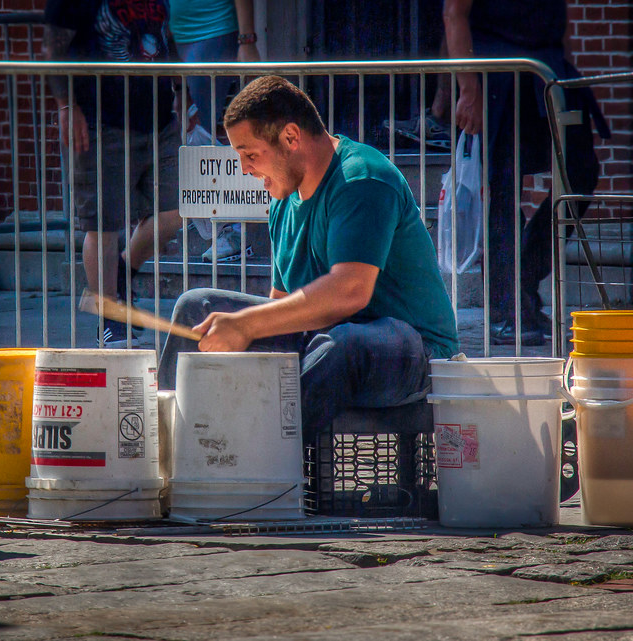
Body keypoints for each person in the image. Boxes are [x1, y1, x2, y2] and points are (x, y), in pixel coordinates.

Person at [158, 76, 459, 443]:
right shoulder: (282, 200)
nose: (244, 169)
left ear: (290, 137)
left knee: (342, 344)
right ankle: (171, 449)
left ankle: (260, 458)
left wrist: (245, 325)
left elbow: (350, 292)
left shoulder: (362, 178)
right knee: (196, 306)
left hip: (417, 353)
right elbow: (281, 307)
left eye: (250, 154)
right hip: (328, 338)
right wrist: (241, 332)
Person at [444, 0, 609, 345]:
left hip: (548, 69)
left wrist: (563, 68)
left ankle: (524, 281)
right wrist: (468, 89)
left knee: (580, 171)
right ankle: (506, 311)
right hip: (499, 74)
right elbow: (454, 12)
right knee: (502, 191)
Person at [44, 0, 182, 346]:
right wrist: (66, 105)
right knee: (103, 224)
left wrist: (183, 92)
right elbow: (54, 48)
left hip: (160, 118)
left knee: (178, 209)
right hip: (101, 120)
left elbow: (165, 36)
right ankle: (110, 318)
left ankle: (120, 273)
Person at [167, 0, 259, 262]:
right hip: (175, 37)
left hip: (213, 29)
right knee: (190, 131)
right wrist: (179, 89)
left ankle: (233, 231)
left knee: (202, 131)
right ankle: (218, 224)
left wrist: (247, 40)